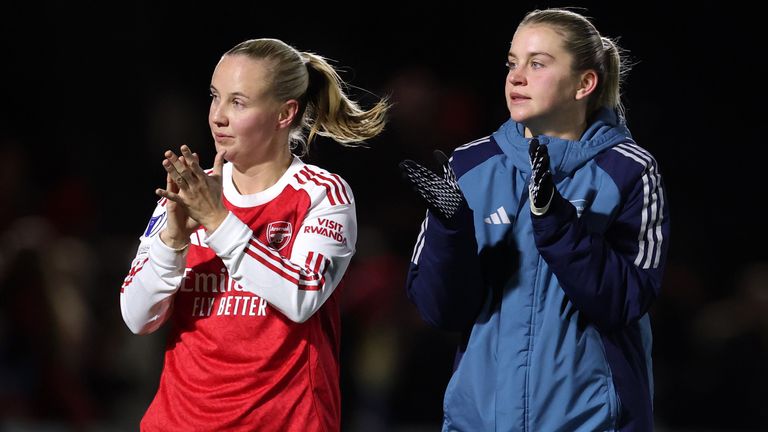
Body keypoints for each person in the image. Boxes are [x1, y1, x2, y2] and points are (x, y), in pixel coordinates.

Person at [400, 8, 670, 431]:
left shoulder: (629, 170)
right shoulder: (470, 164)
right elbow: (441, 312)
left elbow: (622, 302)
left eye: (537, 63)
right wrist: (449, 232)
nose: (516, 77)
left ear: (585, 83)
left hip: (592, 423)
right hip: (478, 422)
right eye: (512, 63)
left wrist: (556, 222)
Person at [119, 38, 388, 431]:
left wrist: (218, 220)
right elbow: (137, 318)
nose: (217, 117)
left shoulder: (321, 193)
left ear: (285, 113)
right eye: (215, 97)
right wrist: (172, 240)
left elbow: (302, 295)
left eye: (238, 102)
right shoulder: (190, 192)